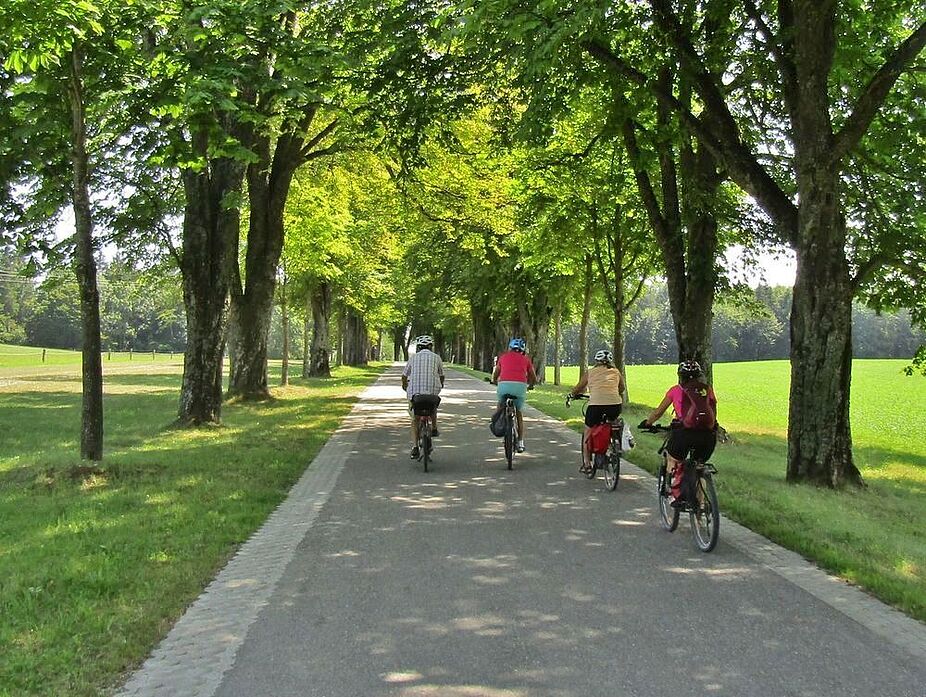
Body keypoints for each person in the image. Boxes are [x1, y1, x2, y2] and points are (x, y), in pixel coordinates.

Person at [639, 360, 718, 505]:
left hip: (685, 434)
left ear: (680, 376)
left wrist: (648, 423)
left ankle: (674, 493)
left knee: (672, 458)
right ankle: (701, 507)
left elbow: (658, 413)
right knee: (699, 465)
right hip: (708, 435)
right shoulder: (708, 389)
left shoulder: (676, 390)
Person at [568, 349, 625, 473]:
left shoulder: (590, 372)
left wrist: (572, 395)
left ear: (597, 361)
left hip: (596, 406)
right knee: (613, 423)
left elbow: (578, 388)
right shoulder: (616, 372)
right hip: (615, 405)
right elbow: (622, 388)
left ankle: (587, 464)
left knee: (587, 433)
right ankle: (616, 442)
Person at [491, 338, 537, 453]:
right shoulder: (526, 359)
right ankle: (520, 442)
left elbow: (496, 373)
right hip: (520, 388)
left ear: (510, 348)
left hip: (504, 386)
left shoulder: (503, 357)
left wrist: (494, 380)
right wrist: (531, 385)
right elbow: (533, 376)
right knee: (519, 413)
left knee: (500, 404)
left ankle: (498, 421)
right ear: (522, 350)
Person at [402, 335, 445, 459]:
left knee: (415, 419)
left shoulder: (413, 358)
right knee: (433, 405)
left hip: (415, 395)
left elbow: (404, 376)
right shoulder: (437, 358)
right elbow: (441, 375)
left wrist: (405, 386)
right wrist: (440, 384)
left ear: (418, 347)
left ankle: (415, 447)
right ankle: (435, 428)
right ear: (431, 347)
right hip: (431, 394)